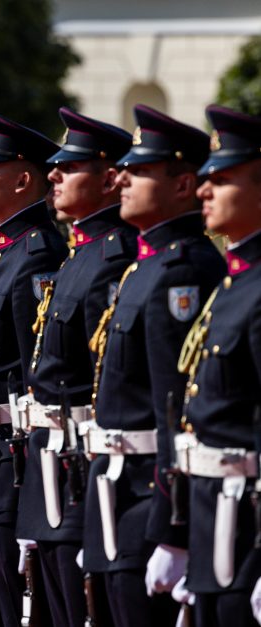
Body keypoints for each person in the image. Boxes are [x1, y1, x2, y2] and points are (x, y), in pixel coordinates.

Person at [82, 104, 225, 627]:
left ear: (184, 185)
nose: (120, 178)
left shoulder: (183, 268)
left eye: (139, 171)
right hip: (116, 493)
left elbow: (176, 409)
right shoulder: (147, 266)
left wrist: (172, 526)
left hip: (148, 498)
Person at [15, 107, 136, 627]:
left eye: (72, 167)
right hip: (51, 461)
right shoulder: (77, 255)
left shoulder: (113, 256)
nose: (56, 175)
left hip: (83, 467)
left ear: (110, 179)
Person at [0, 109, 67, 625]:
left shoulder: (37, 253)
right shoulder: (6, 252)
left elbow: (36, 371)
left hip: (16, 461)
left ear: (24, 179)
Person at [170, 104, 261, 626]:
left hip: (246, 532)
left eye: (220, 180)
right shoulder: (232, 283)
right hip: (212, 520)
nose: (203, 190)